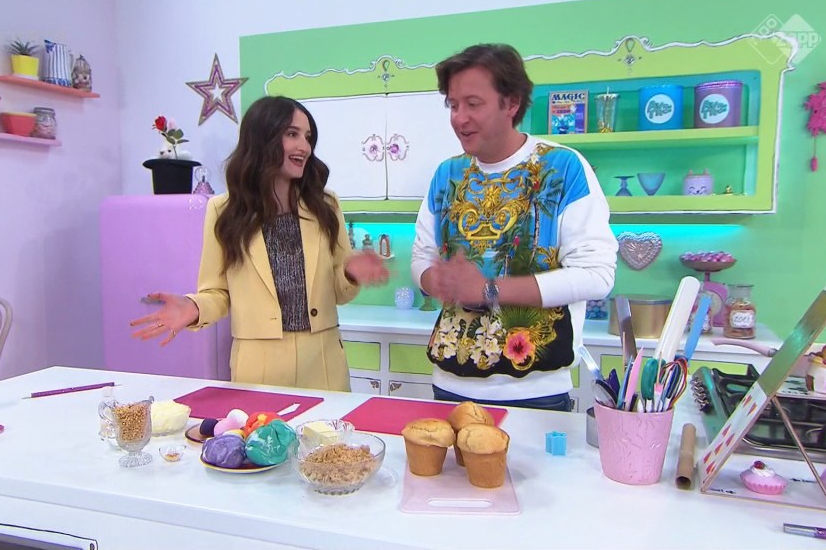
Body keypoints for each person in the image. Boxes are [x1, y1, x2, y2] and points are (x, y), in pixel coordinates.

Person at [131, 96, 389, 391]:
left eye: (308, 137)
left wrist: (351, 272)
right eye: (292, 134)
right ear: (263, 138)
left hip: (323, 362)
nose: (304, 147)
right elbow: (217, 292)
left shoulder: (326, 205)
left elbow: (340, 293)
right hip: (258, 368)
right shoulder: (224, 210)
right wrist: (194, 307)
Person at [411, 44, 618, 412]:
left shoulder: (562, 168)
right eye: (453, 105)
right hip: (448, 385)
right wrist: (434, 279)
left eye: (473, 104)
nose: (459, 118)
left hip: (534, 392)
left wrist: (487, 289)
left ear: (511, 103)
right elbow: (422, 258)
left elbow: (596, 275)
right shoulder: (447, 175)